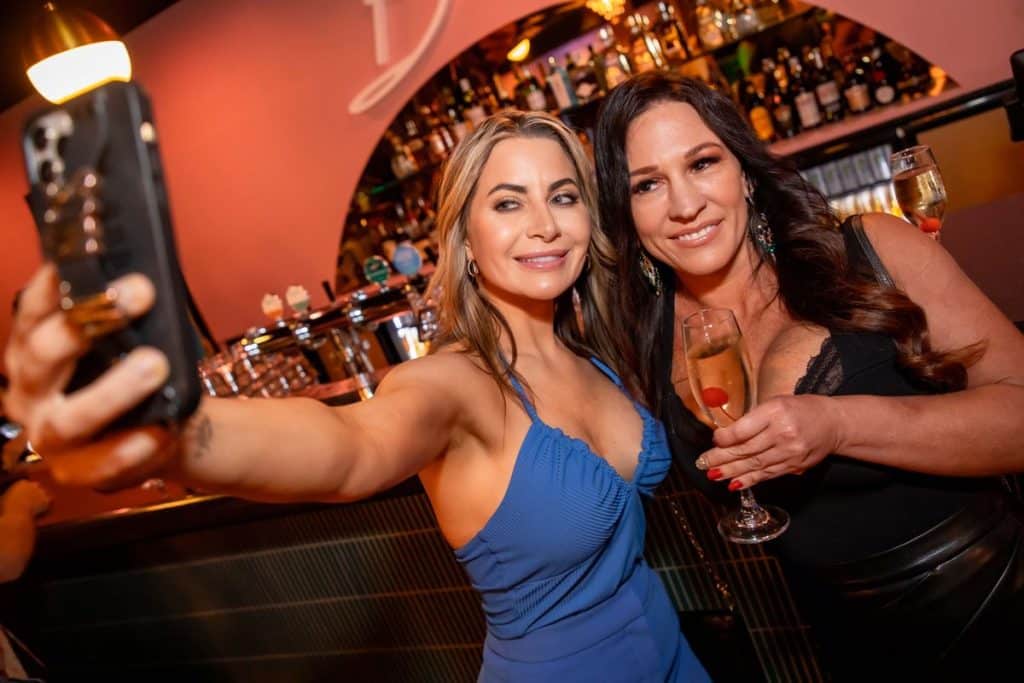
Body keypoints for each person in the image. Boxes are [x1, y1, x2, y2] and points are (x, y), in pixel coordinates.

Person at [2, 111, 709, 682]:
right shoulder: (458, 385)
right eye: (507, 202)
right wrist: (171, 433)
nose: (545, 225)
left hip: (675, 655)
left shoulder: (595, 352)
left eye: (563, 196)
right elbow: (351, 448)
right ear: (465, 239)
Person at [593, 72, 1024, 680]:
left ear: (744, 172)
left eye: (702, 163)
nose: (685, 204)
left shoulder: (871, 252)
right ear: (626, 211)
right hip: (843, 643)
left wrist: (839, 424)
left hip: (990, 598)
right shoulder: (644, 339)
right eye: (647, 184)